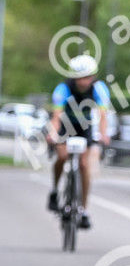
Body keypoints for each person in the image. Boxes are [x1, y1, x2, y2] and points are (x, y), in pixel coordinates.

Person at [46, 53, 111, 229]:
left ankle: (83, 210)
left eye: (87, 77)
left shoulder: (99, 88)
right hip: (66, 125)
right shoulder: (63, 88)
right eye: (79, 78)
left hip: (85, 127)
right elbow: (56, 116)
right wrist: (53, 134)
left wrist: (104, 135)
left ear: (93, 76)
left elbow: (103, 116)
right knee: (62, 157)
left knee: (84, 165)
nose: (83, 82)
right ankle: (55, 191)